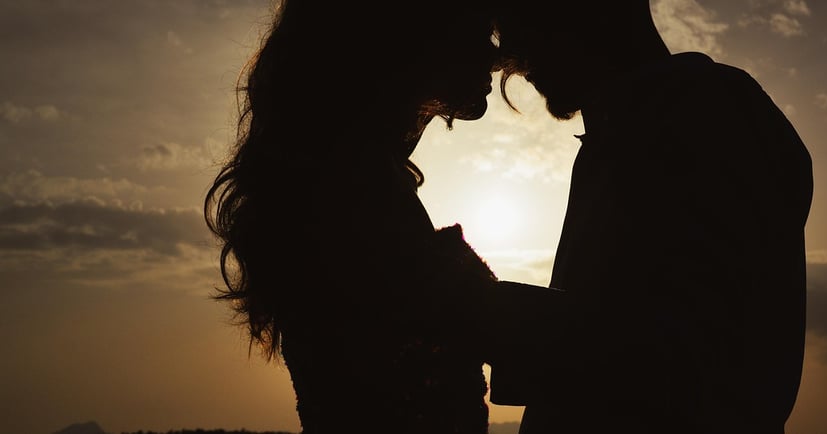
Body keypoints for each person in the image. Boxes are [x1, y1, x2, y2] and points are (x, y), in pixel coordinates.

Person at [204, 1, 567, 433]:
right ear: (414, 33)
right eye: (477, 30)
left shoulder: (344, 179)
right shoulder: (352, 191)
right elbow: (527, 337)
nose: (494, 56)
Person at [490, 1, 814, 433]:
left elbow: (697, 363)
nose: (505, 52)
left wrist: (484, 311)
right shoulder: (620, 134)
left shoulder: (710, 115)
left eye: (520, 16)